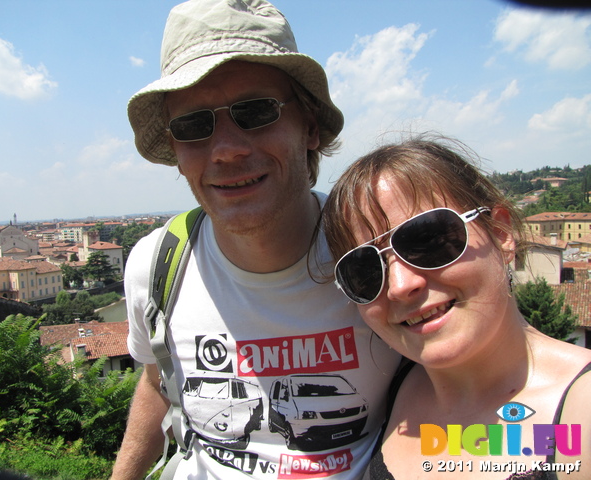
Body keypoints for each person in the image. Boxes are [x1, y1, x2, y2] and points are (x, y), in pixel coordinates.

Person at [111, 1, 401, 478]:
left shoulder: (378, 249)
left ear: (309, 128)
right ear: (177, 153)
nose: (226, 150)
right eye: (193, 125)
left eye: (257, 111)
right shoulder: (158, 265)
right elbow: (159, 381)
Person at [321, 134, 591, 479]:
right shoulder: (383, 393)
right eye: (363, 270)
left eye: (428, 238)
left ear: (502, 233)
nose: (402, 286)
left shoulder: (582, 412)